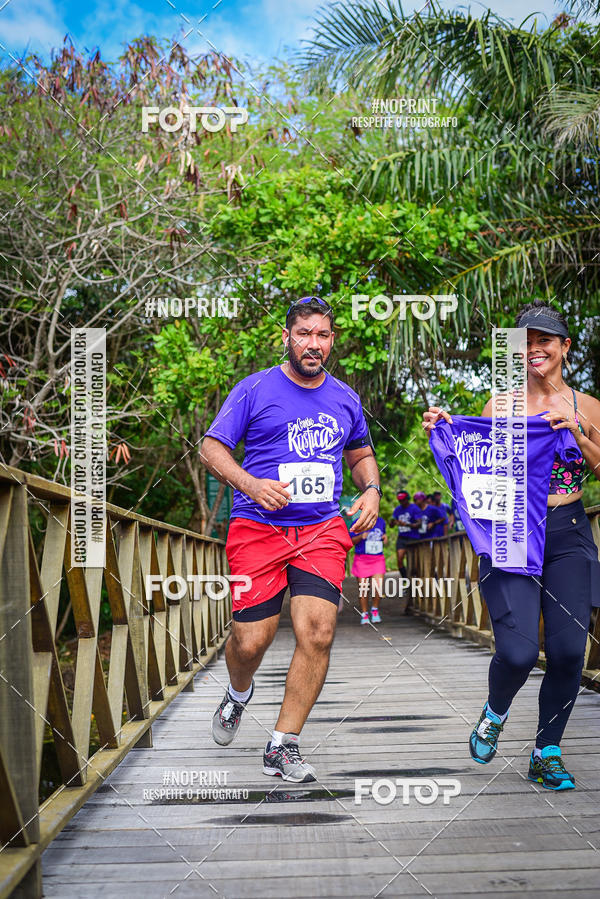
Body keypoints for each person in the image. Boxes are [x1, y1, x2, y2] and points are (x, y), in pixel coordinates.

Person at [201, 295, 381, 783]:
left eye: (322, 335)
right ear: (287, 337)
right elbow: (211, 448)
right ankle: (238, 692)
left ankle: (283, 744)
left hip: (321, 530)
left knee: (318, 631)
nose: (313, 344)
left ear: (332, 340)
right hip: (258, 528)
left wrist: (372, 490)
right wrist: (252, 485)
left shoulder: (345, 398)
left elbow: (361, 454)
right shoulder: (255, 388)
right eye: (304, 334)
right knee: (250, 640)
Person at [423, 300, 600, 790]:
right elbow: (478, 469)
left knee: (569, 651)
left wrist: (578, 432)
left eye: (545, 340)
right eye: (526, 343)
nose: (535, 349)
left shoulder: (588, 406)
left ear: (565, 346)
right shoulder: (498, 407)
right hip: (514, 532)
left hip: (568, 532)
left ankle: (547, 752)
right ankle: (495, 711)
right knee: (519, 652)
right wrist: (449, 431)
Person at [349, 515, 387, 623]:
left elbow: (383, 535)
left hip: (377, 559)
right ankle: (364, 614)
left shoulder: (381, 521)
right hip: (362, 559)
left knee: (377, 587)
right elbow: (351, 541)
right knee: (363, 589)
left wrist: (385, 537)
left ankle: (375, 610)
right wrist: (361, 536)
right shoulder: (357, 522)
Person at [389, 490, 419, 576]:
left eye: (403, 500)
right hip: (402, 537)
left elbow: (419, 524)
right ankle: (406, 578)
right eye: (400, 500)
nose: (401, 502)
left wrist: (406, 524)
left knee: (413, 561)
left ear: (407, 499)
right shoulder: (397, 509)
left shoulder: (414, 508)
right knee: (399, 559)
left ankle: (414, 577)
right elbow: (391, 525)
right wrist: (393, 522)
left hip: (413, 537)